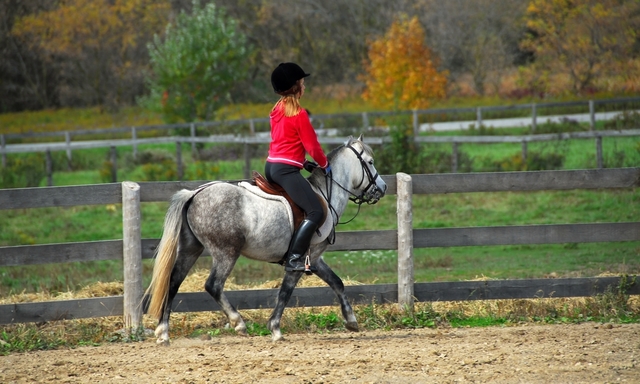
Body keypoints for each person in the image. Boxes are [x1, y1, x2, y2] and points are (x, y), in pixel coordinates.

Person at [265, 62, 331, 272]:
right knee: (316, 212)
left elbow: (283, 142)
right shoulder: (300, 114)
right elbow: (312, 145)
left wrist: (303, 163)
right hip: (285, 171)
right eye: (302, 83)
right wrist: (324, 164)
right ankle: (294, 258)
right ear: (296, 87)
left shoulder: (276, 110)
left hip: (272, 166)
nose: (305, 87)